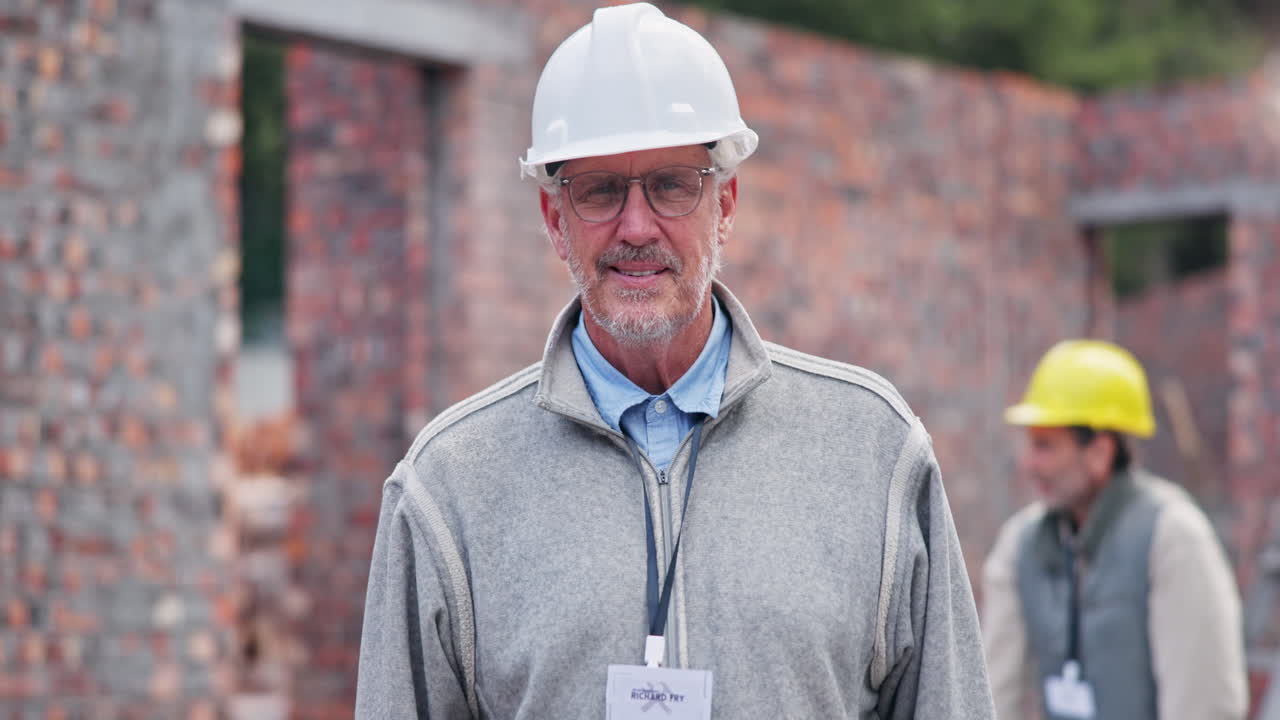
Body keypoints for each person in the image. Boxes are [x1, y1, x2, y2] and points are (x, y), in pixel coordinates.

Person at [355, 4, 994, 717]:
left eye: (671, 184)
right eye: (598, 190)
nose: (635, 226)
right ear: (553, 221)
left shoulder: (872, 452)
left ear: (725, 204)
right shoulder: (450, 487)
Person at [983, 339, 1248, 720]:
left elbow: (1204, 706)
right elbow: (992, 692)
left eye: (1045, 446)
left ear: (1100, 453)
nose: (1028, 463)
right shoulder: (1019, 546)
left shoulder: (1174, 538)